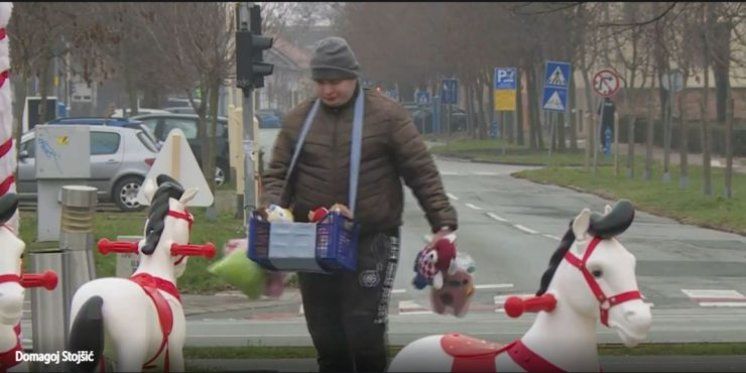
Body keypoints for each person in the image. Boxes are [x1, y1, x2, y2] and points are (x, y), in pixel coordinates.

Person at [260, 36, 458, 372]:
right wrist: (272, 210)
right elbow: (278, 174)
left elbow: (420, 171)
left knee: (364, 330)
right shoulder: (298, 120)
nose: (328, 90)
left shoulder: (388, 116)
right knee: (325, 334)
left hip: (372, 238)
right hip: (314, 241)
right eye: (320, 82)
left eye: (335, 82)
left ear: (353, 77)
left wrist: (442, 222)